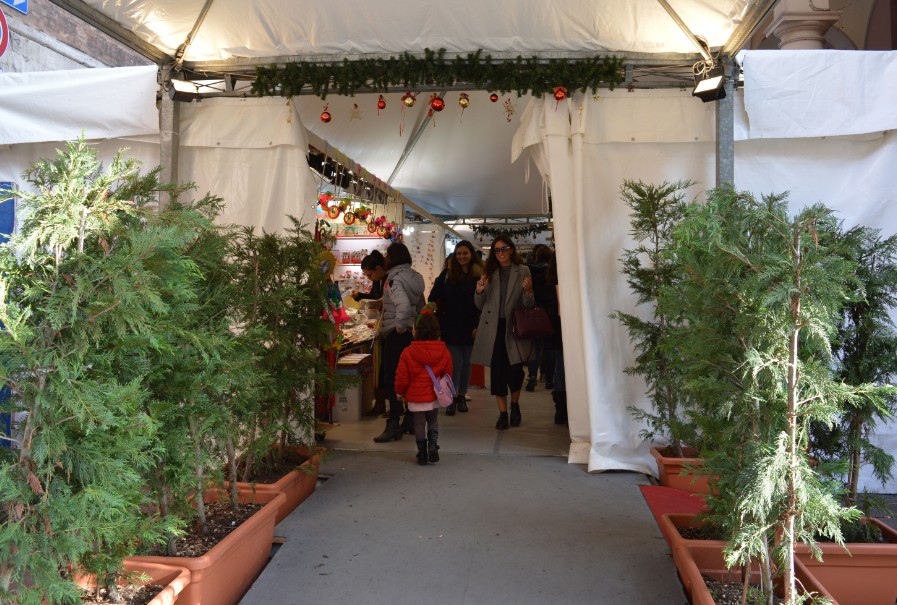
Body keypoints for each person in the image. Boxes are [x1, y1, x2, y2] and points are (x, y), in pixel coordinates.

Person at [471, 235, 535, 430]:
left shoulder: (523, 270)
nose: (501, 253)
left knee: (515, 371)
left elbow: (528, 304)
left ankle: (514, 405)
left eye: (504, 249)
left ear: (511, 250)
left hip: (514, 327)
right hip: (493, 328)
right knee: (497, 373)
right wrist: (479, 291)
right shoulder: (489, 271)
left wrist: (528, 291)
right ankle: (503, 414)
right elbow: (479, 305)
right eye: (497, 250)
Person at [373, 242, 426, 443]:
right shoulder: (415, 277)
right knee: (408, 377)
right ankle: (410, 419)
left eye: (388, 255)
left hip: (396, 333)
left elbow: (402, 305)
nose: (385, 259)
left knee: (393, 378)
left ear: (392, 258)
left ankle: (394, 422)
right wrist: (413, 327)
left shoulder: (393, 279)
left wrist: (400, 326)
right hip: (410, 334)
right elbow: (420, 305)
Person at [427, 240, 483, 415]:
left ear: (471, 254)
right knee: (454, 364)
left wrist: (479, 325)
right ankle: (450, 397)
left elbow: (485, 302)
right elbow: (433, 296)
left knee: (466, 363)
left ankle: (462, 396)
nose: (462, 256)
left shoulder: (479, 274)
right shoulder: (447, 274)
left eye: (465, 253)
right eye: (459, 253)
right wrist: (432, 313)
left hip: (471, 326)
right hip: (450, 324)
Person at [395, 306, 453, 465]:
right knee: (433, 419)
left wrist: (399, 392)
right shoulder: (444, 351)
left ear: (416, 331)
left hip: (416, 396)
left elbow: (402, 377)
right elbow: (448, 373)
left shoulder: (407, 352)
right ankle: (433, 446)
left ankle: (421, 453)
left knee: (419, 422)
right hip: (435, 393)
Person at [525, 244, 556, 391]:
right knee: (550, 348)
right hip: (550, 313)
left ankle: (532, 377)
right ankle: (549, 379)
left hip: (534, 313)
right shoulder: (553, 271)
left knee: (534, 348)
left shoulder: (529, 271)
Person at [545, 250, 566, 425]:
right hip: (563, 328)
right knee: (564, 366)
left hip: (556, 328)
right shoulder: (570, 279)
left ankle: (560, 409)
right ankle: (563, 408)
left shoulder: (550, 280)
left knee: (561, 366)